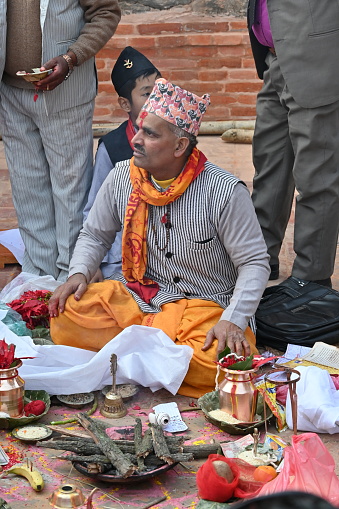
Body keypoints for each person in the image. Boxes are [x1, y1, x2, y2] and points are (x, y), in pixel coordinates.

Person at [49, 78, 270, 398]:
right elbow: (95, 235)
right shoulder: (121, 176)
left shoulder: (224, 191)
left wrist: (232, 320)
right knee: (67, 314)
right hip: (140, 300)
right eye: (138, 129)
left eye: (150, 134)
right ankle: (153, 360)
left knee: (220, 363)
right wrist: (78, 273)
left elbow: (254, 264)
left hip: (205, 309)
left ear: (180, 146)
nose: (136, 140)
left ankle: (130, 359)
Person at [0, 1, 121, 281]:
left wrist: (71, 58)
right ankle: (39, 278)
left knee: (70, 188)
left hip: (66, 91)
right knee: (27, 187)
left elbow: (106, 12)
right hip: (10, 93)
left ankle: (72, 274)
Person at [248, 0, 339, 287]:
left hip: (314, 58)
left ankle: (311, 280)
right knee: (269, 165)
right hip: (275, 57)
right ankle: (259, 260)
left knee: (316, 175)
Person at [83, 46, 161, 282]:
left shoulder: (177, 137)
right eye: (147, 94)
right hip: (122, 257)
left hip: (171, 250)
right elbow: (93, 209)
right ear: (125, 104)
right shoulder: (113, 147)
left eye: (160, 90)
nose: (157, 99)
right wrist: (91, 262)